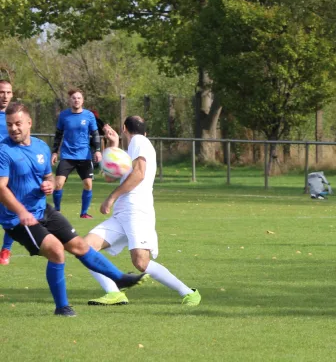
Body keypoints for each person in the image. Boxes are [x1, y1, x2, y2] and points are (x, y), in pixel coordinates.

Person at [0, 103, 148, 316]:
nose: (13, 129)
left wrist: (49, 184)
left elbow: (46, 177)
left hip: (43, 209)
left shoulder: (41, 147)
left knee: (79, 245)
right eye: (9, 124)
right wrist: (21, 211)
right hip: (18, 219)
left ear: (29, 123)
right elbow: (1, 188)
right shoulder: (4, 151)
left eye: (18, 124)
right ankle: (62, 307)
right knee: (57, 251)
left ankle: (119, 278)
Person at [83, 117, 201, 306]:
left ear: (124, 128)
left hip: (137, 211)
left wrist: (111, 198)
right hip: (123, 214)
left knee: (141, 263)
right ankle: (114, 293)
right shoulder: (131, 149)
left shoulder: (139, 141)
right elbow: (109, 177)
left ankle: (188, 293)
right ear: (146, 131)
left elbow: (139, 174)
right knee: (85, 248)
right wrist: (113, 145)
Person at [51, 89, 102, 219]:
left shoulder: (89, 115)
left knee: (88, 184)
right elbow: (58, 135)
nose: (76, 100)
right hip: (67, 155)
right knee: (58, 184)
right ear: (70, 100)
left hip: (84, 155)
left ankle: (84, 213)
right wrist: (54, 152)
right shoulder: (64, 116)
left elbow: (95, 134)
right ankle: (57, 211)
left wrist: (97, 150)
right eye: (74, 98)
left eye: (79, 98)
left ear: (82, 100)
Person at [0, 80, 15, 265]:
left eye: (8, 92)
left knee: (11, 211)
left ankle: (6, 250)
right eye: (1, 92)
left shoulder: (15, 116)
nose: (4, 96)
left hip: (9, 170)